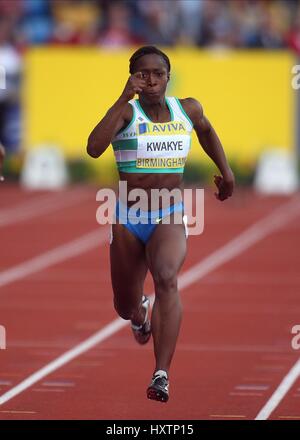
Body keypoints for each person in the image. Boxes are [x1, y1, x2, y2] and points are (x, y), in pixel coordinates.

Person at [87, 46, 234, 403]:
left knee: (167, 278)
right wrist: (124, 95)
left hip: (168, 212)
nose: (150, 80)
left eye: (157, 73)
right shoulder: (126, 112)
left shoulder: (188, 109)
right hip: (127, 217)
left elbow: (207, 130)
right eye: (142, 74)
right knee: (124, 306)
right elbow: (93, 148)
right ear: (133, 77)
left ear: (169, 76)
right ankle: (138, 315)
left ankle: (161, 373)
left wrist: (227, 173)